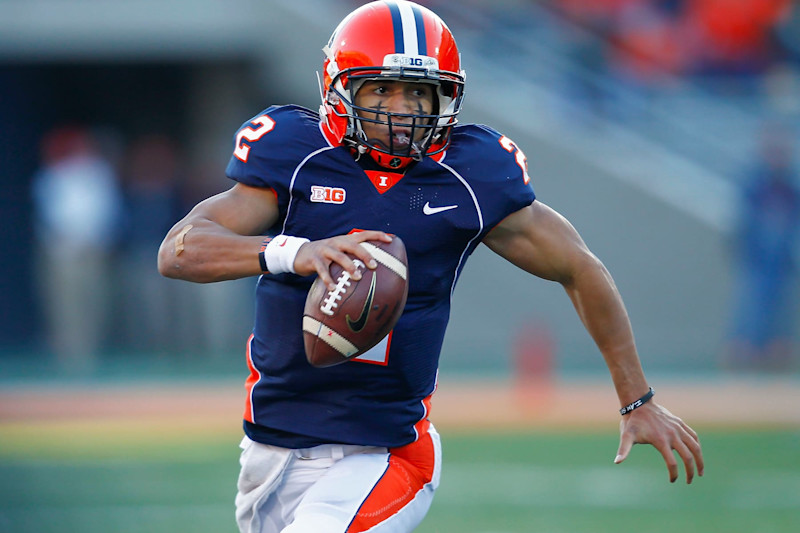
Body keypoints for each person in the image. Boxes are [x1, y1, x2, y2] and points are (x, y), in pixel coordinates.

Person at [158, 2, 704, 531]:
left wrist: (638, 399)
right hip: (269, 447)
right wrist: (291, 251)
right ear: (339, 88)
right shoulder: (294, 154)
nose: (401, 109)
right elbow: (179, 249)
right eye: (381, 89)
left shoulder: (472, 174)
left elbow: (580, 268)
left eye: (419, 92)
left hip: (388, 452)